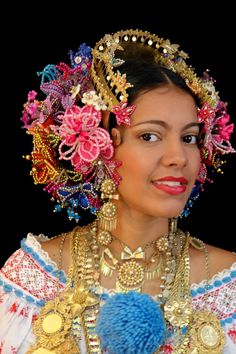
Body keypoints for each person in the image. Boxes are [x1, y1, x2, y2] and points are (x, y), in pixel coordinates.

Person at [0, 28, 235, 353]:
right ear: (100, 147)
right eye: (150, 136)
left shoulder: (227, 286)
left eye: (189, 137)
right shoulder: (35, 280)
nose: (178, 158)